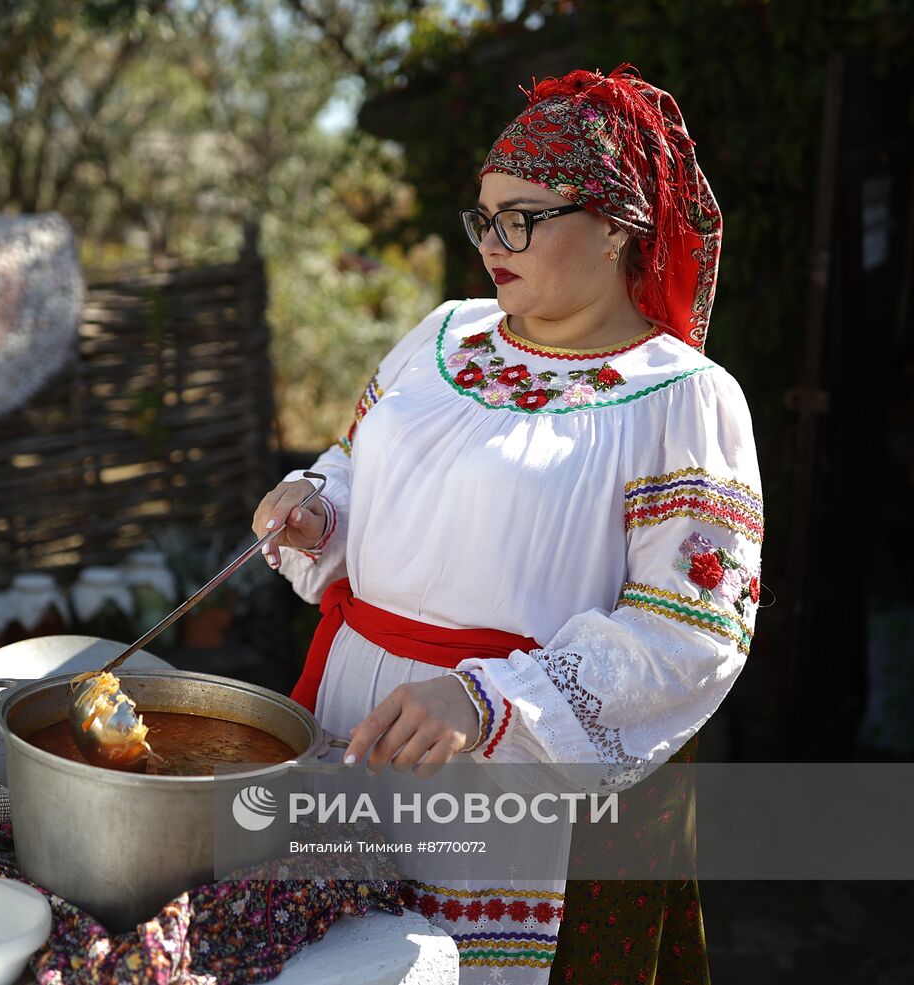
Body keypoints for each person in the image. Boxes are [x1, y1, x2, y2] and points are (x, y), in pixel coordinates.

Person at [252, 64, 755, 985]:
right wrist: (317, 509)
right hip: (357, 725)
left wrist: (487, 700)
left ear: (614, 225)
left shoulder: (680, 396)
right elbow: (363, 471)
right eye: (486, 216)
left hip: (523, 772)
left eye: (524, 216)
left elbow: (691, 633)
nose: (495, 240)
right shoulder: (444, 336)